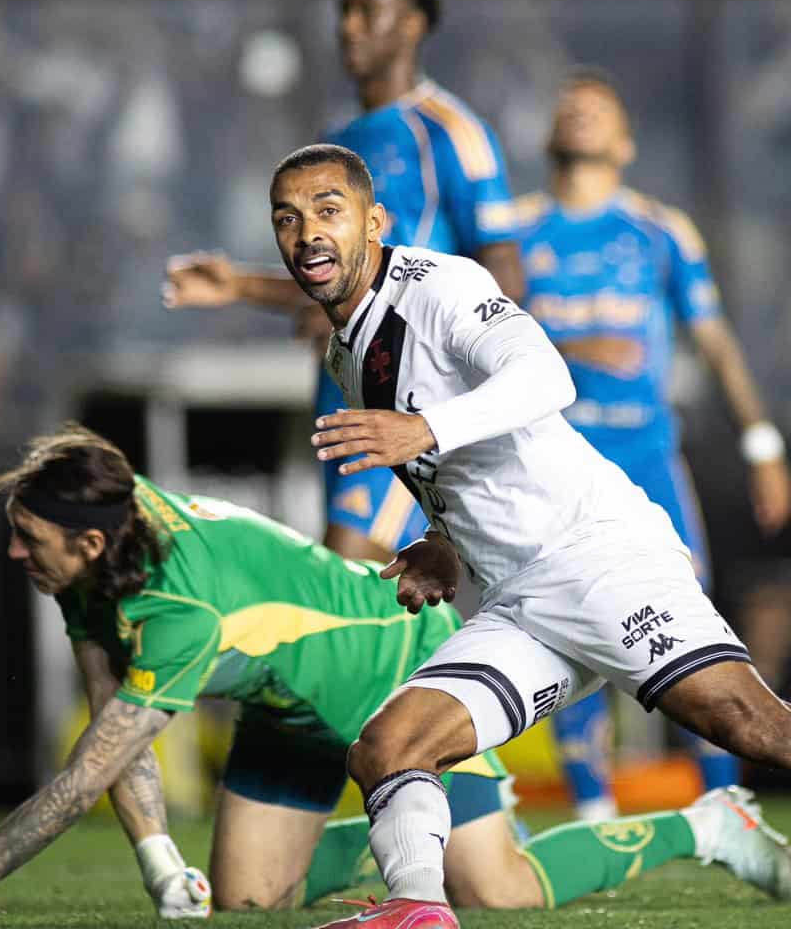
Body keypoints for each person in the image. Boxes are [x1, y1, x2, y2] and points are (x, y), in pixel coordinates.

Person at [0, 426, 789, 924]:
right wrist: (159, 861)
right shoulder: (96, 550)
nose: (15, 552)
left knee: (499, 891)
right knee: (255, 902)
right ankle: (387, 851)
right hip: (281, 701)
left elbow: (91, 768)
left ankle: (709, 825)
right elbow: (110, 721)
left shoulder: (182, 608)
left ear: (91, 539)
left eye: (29, 536)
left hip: (380, 663)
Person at [263, 142, 791, 929]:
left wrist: (422, 427)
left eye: (329, 211)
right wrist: (443, 541)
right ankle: (416, 911)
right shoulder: (348, 348)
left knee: (750, 727)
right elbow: (453, 464)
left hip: (598, 558)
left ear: (374, 222)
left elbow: (548, 379)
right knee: (388, 748)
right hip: (519, 598)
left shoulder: (441, 285)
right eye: (288, 218)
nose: (308, 233)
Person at [164, 0, 522, 563]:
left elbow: (504, 271)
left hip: (406, 391)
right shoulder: (343, 140)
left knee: (349, 576)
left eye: (367, 11)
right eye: (344, 11)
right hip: (344, 383)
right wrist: (238, 286)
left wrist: (456, 378)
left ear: (412, 24)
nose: (348, 26)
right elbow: (347, 279)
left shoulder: (450, 133)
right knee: (376, 599)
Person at [518, 72, 791, 819]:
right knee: (562, 619)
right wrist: (573, 344)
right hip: (558, 465)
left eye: (598, 109)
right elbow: (479, 344)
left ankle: (722, 803)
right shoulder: (511, 234)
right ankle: (592, 809)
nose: (577, 110)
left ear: (625, 143)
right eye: (567, 104)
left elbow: (717, 343)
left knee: (688, 617)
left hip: (646, 460)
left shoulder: (660, 232)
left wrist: (762, 443)